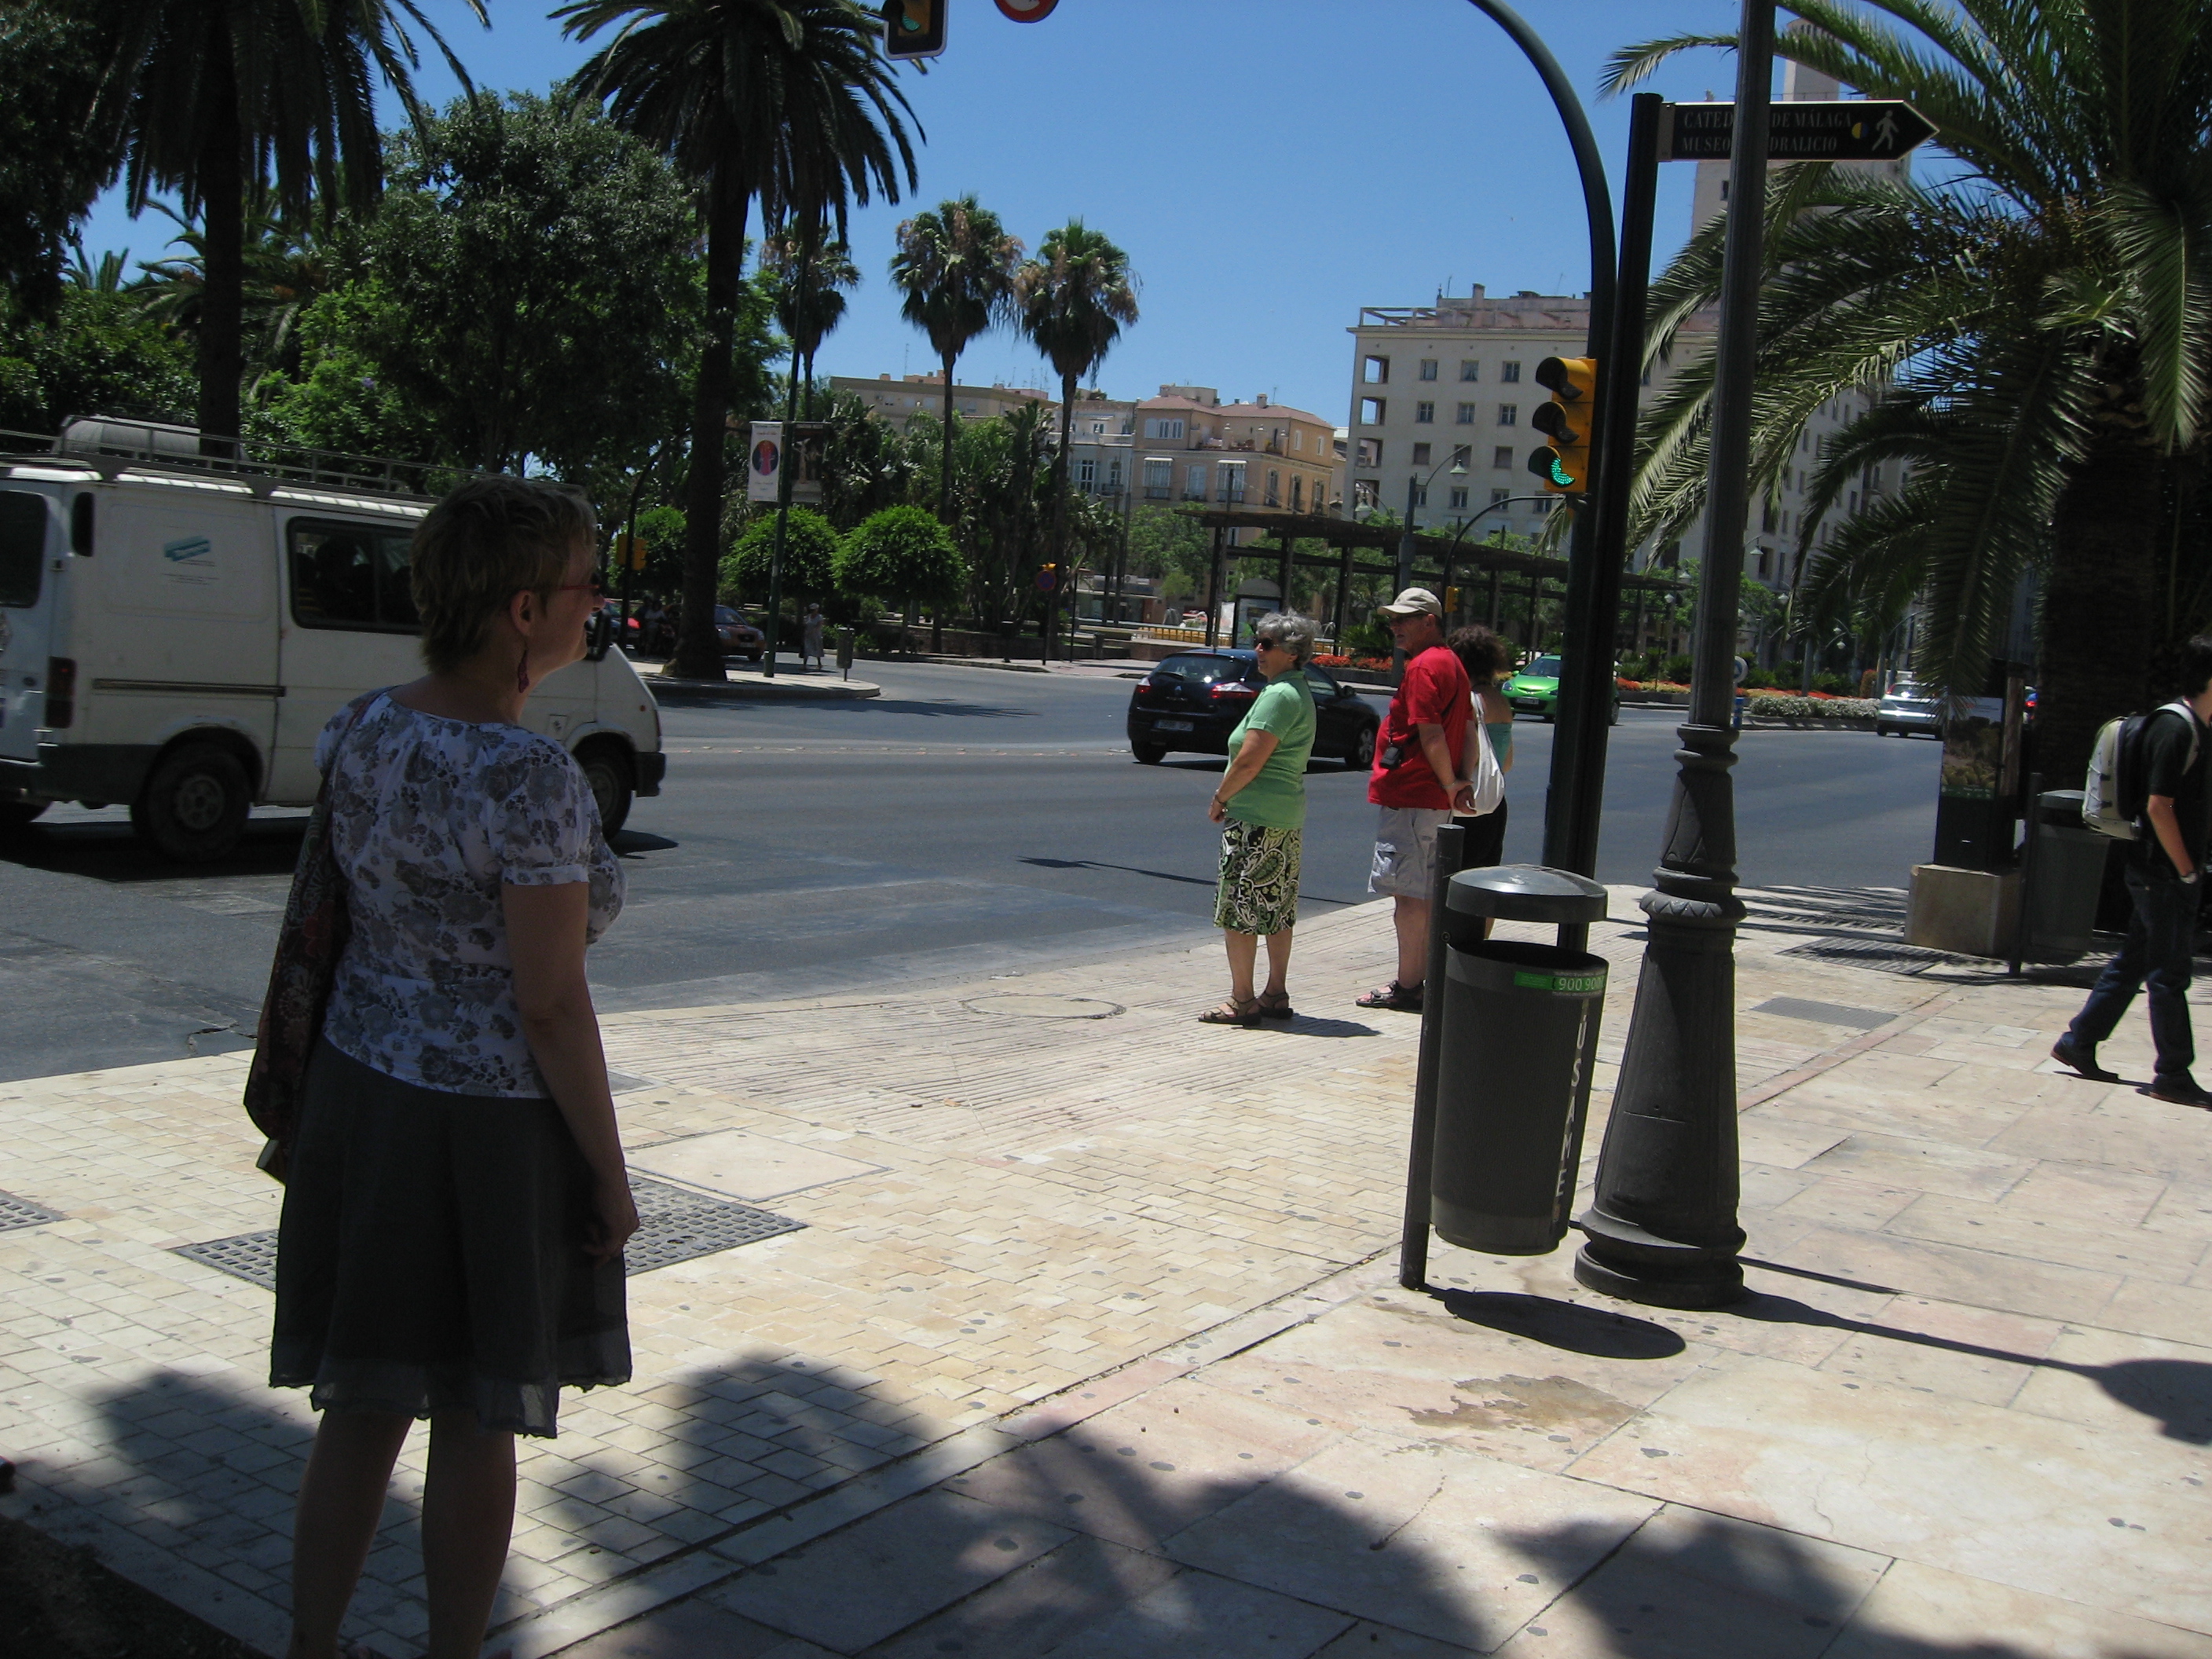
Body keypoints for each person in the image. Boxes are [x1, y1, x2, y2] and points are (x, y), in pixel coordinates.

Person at [271, 475, 636, 1659]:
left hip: (361, 1098)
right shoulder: (530, 778)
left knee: (361, 1408)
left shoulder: (362, 727)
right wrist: (610, 1173)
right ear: (524, 610)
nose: (599, 603)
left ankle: (310, 1647)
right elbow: (548, 1002)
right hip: (486, 1130)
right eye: (586, 583)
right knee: (478, 1420)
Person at [2053, 635, 2212, 1106]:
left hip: (2161, 872)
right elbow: (2159, 806)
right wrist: (2186, 870)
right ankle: (2173, 1074)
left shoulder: (2196, 727)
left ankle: (2079, 1041)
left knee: (2134, 963)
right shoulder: (2176, 730)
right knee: (2169, 974)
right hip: (2163, 874)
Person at [1359, 588, 1474, 1013]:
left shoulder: (1425, 666)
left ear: (1430, 621)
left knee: (1408, 899)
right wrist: (1459, 782)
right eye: (1393, 619)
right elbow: (1469, 729)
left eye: (1404, 619)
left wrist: (1450, 783)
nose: (1395, 626)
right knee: (1422, 896)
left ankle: (1409, 987)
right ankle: (1418, 982)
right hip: (1431, 800)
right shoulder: (1451, 663)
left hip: (1413, 796)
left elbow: (1431, 732)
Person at [1201, 613, 1319, 1026]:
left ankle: (1242, 1000)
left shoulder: (1279, 695)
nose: (1258, 650)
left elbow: (1250, 760)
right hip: (1284, 815)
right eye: (1258, 641)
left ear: (1292, 652)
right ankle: (1275, 994)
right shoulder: (1296, 690)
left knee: (1240, 909)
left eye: (1267, 644)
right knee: (1276, 907)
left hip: (1255, 817)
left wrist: (1221, 797)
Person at [1448, 625, 1518, 935]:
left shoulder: (1468, 701)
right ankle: (1480, 944)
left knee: (1453, 880)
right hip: (1494, 802)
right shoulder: (1501, 702)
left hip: (1464, 802)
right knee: (1486, 880)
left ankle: (1450, 949)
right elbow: (1507, 763)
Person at [802, 601, 826, 669]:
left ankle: (819, 664)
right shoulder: (808, 617)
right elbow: (805, 624)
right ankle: (804, 665)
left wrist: (812, 631)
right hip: (808, 636)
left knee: (817, 649)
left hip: (816, 636)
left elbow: (819, 626)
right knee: (806, 650)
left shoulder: (819, 617)